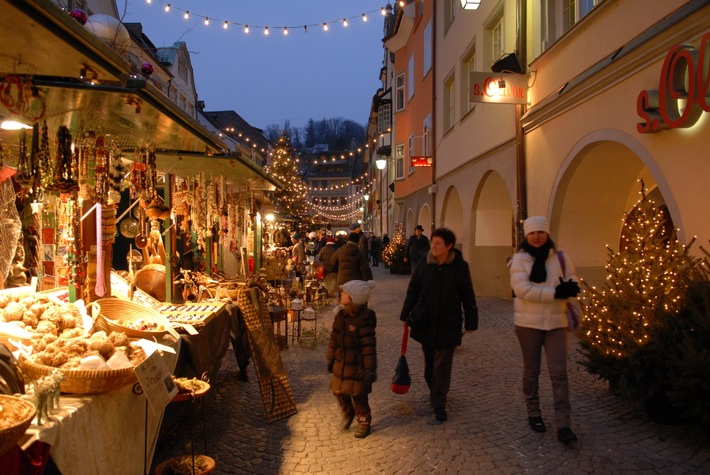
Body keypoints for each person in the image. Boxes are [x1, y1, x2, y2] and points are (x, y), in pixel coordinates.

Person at [508, 216, 581, 448]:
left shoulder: (560, 257)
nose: (536, 236)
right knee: (532, 370)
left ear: (547, 234)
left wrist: (570, 288)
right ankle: (534, 413)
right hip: (528, 324)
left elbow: (572, 281)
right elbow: (522, 290)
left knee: (559, 373)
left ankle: (563, 424)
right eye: (532, 233)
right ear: (526, 236)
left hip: (556, 323)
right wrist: (555, 293)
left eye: (540, 232)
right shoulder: (519, 260)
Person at [399, 227, 478, 423]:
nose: (433, 246)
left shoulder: (460, 267)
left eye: (438, 243)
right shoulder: (424, 264)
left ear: (449, 246)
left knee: (443, 364)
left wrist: (471, 321)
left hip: (449, 322)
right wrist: (404, 315)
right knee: (429, 365)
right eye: (433, 242)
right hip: (426, 321)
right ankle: (435, 392)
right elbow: (413, 291)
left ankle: (439, 402)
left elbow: (468, 296)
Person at [326, 280, 377, 438]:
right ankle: (348, 413)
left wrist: (369, 369)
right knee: (338, 391)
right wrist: (330, 357)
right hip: (342, 364)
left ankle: (364, 421)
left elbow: (369, 348)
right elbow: (334, 338)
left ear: (355, 297)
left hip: (358, 366)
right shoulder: (341, 315)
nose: (342, 294)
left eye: (346, 292)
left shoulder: (363, 321)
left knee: (358, 395)